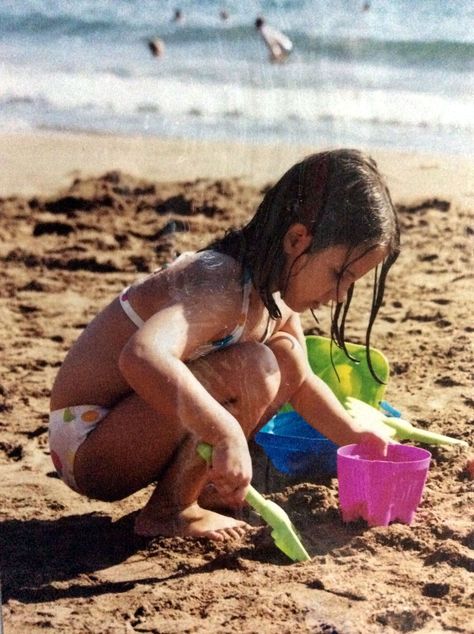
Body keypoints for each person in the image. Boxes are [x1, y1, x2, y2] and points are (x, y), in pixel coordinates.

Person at [49, 149, 400, 542]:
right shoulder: (219, 283)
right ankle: (170, 511)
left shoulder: (274, 295)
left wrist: (353, 435)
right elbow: (142, 356)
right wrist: (225, 433)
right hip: (89, 439)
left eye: (351, 283)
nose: (339, 294)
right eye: (339, 274)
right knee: (255, 366)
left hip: (131, 429)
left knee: (285, 358)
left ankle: (208, 493)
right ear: (297, 239)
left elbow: (299, 383)